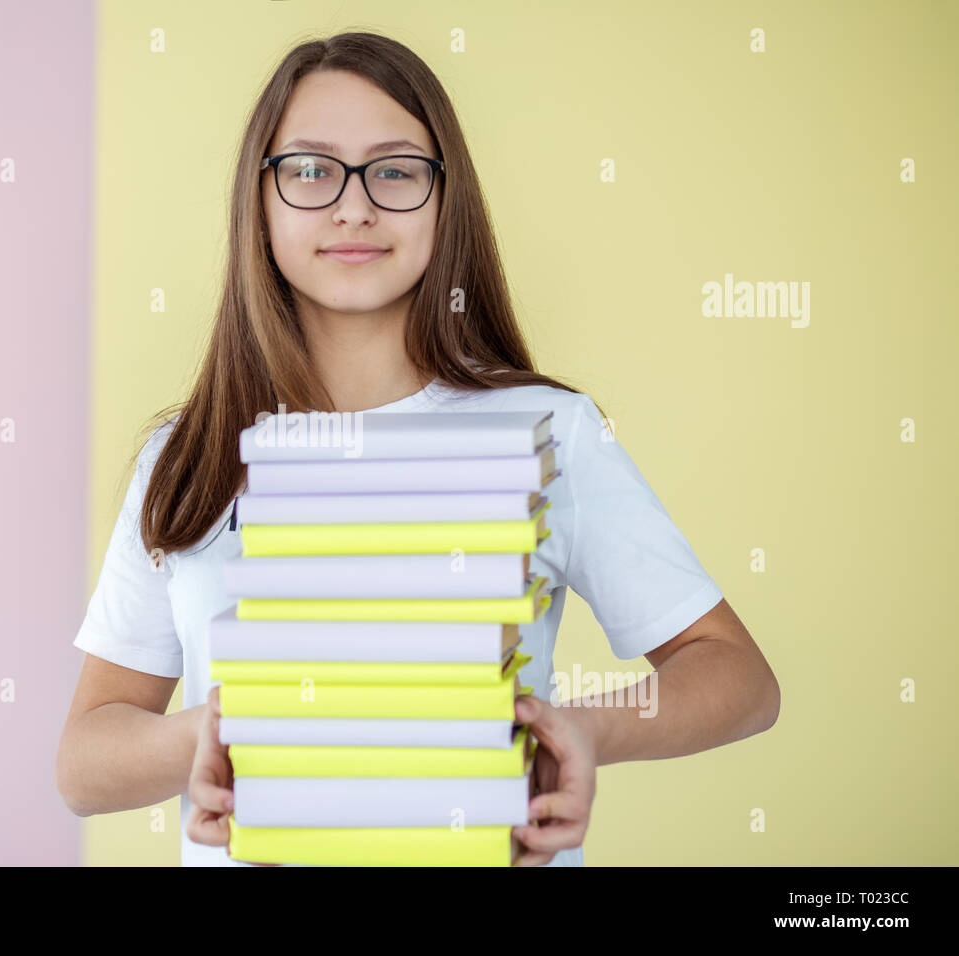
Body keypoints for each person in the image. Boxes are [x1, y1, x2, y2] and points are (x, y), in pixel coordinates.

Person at [55, 31, 780, 867]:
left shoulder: (551, 433)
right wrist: (208, 732)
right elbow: (82, 765)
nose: (354, 206)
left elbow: (741, 681)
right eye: (310, 169)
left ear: (446, 199)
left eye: (395, 170)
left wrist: (578, 729)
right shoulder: (193, 452)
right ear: (260, 198)